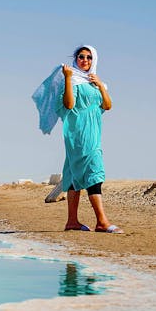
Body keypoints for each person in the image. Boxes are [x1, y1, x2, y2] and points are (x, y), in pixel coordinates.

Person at [44, 45, 124, 234]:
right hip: (78, 133)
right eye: (81, 57)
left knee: (73, 173)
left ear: (94, 59)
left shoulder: (96, 82)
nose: (85, 60)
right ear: (76, 59)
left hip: (93, 131)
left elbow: (108, 105)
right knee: (94, 171)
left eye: (89, 57)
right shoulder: (72, 80)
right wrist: (69, 78)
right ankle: (102, 222)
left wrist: (100, 85)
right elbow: (69, 104)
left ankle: (72, 221)